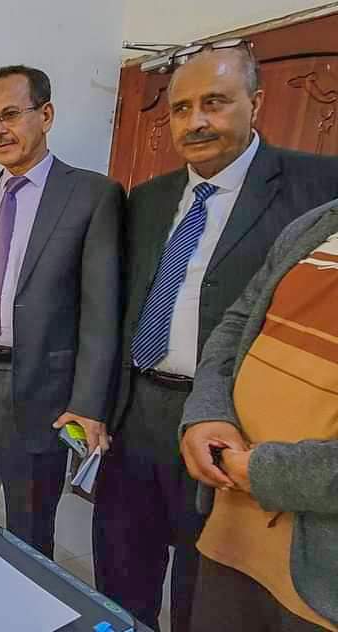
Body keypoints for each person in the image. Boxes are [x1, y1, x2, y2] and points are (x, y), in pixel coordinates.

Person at [94, 43, 338, 632]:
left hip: (231, 426)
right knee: (122, 570)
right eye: (181, 108)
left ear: (256, 103)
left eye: (215, 102)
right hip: (136, 410)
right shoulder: (148, 198)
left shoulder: (316, 189)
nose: (195, 121)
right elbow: (120, 307)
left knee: (205, 588)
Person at [0, 65, 124, 557]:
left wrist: (89, 403)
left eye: (11, 115)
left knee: (30, 524)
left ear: (47, 115)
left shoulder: (90, 195)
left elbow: (101, 310)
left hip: (41, 386)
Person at [180, 197, 338, 631]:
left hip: (320, 581)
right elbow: (236, 324)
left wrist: (264, 472)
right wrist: (207, 413)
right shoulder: (318, 222)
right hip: (232, 533)